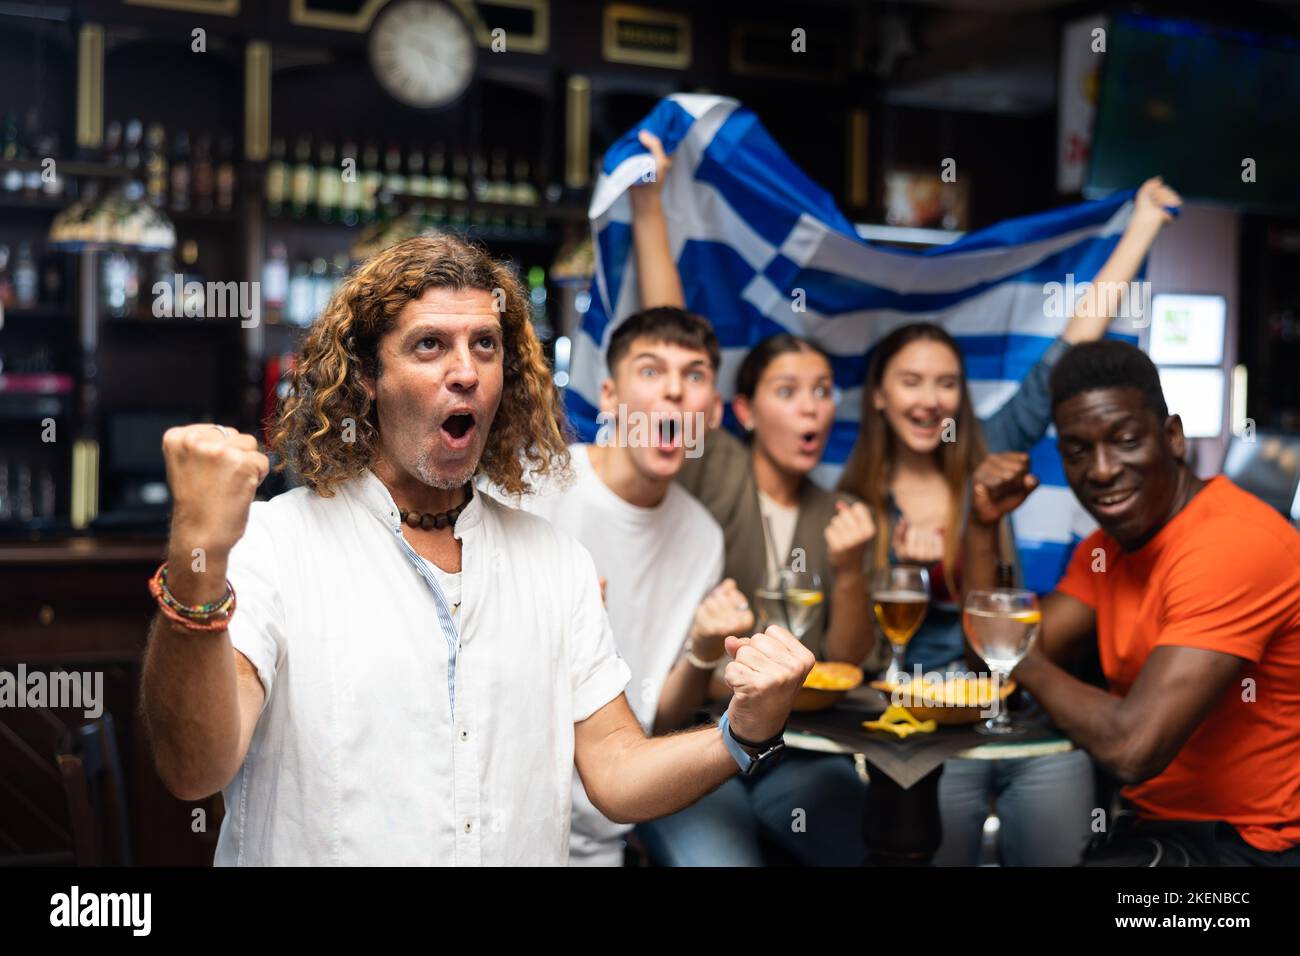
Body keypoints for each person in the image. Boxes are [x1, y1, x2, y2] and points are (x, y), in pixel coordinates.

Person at [138, 234, 814, 866]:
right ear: (367, 377)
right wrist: (197, 558)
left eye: (485, 346)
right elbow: (194, 769)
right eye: (430, 345)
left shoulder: (555, 562)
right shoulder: (279, 546)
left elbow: (614, 770)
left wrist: (742, 730)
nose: (465, 371)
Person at [835, 176, 1182, 867]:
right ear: (878, 395)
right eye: (910, 381)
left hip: (1019, 716)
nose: (930, 400)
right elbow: (846, 658)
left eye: (945, 383)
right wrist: (872, 566)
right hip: (923, 737)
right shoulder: (852, 503)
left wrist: (1142, 225)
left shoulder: (989, 445)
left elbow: (1071, 351)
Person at [625, 131, 882, 866]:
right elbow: (671, 347)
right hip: (692, 736)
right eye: (788, 392)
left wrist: (856, 569)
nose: (811, 411)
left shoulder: (839, 511)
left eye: (824, 393)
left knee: (861, 845)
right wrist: (649, 207)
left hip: (797, 747)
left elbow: (847, 662)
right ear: (740, 409)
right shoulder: (708, 461)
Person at [965, 340, 1300, 866]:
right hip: (1158, 835)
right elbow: (986, 665)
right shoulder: (1106, 552)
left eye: (1124, 441)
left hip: (1255, 848)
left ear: (1173, 437)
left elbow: (1132, 748)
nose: (1100, 470)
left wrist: (1017, 656)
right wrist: (985, 526)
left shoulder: (1232, 542)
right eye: (1077, 452)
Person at [495, 305, 758, 866]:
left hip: (607, 819)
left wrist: (704, 651)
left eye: (693, 376)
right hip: (503, 814)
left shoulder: (703, 538)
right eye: (651, 370)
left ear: (711, 412)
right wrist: (553, 625)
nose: (674, 392)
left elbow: (650, 722)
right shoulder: (532, 486)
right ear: (610, 396)